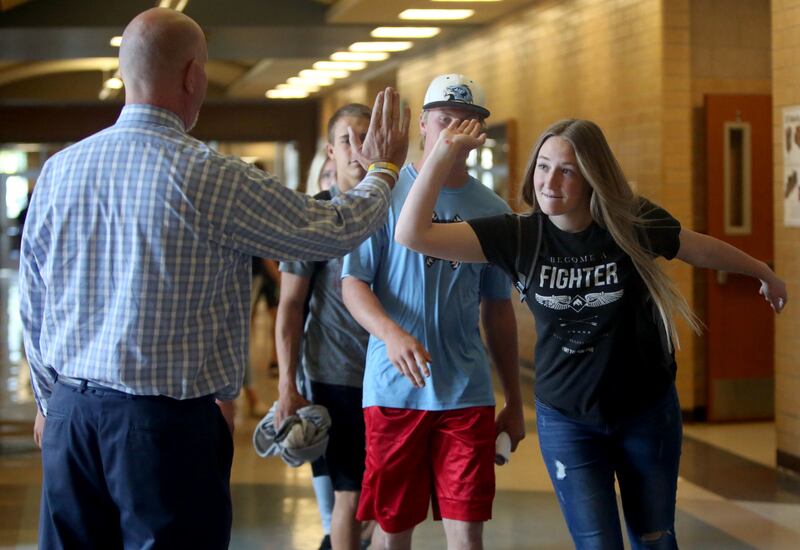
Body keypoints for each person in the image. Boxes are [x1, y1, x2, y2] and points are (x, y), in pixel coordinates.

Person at [19, 7, 409, 549]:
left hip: (70, 418)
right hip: (163, 430)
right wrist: (386, 170)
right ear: (193, 76)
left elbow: (32, 302)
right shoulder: (208, 175)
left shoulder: (59, 171)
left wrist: (48, 404)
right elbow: (331, 230)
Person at [394, 117, 789, 549]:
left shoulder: (631, 223)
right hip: (567, 418)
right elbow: (411, 234)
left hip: (645, 410)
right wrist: (441, 156)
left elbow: (698, 248)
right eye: (543, 166)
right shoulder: (517, 235)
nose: (549, 181)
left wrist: (761, 271)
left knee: (655, 539)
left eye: (566, 170)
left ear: (592, 177)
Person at [341, 74, 525, 550]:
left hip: (465, 390)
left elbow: (498, 308)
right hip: (393, 391)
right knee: (393, 529)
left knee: (466, 534)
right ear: (422, 124)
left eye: (467, 122)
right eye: (445, 120)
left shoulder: (492, 210)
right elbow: (354, 284)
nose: (455, 132)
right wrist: (390, 334)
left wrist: (515, 400)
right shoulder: (383, 194)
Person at [275, 103, 375, 550]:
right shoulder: (314, 216)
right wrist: (286, 387)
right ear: (330, 153)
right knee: (348, 495)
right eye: (345, 141)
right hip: (333, 376)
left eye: (365, 138)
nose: (356, 150)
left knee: (383, 499)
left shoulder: (402, 209)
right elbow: (290, 306)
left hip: (393, 378)